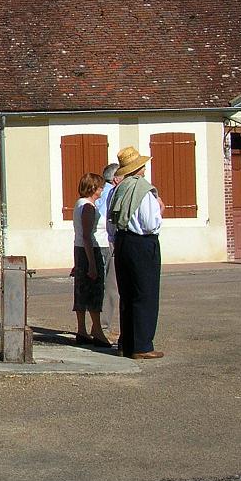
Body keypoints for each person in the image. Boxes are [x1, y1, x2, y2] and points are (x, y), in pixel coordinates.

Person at [108, 146, 164, 359]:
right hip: (142, 243)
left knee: (127, 293)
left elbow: (111, 222)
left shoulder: (117, 190)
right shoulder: (144, 190)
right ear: (139, 167)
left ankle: (126, 342)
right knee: (145, 293)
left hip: (122, 242)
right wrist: (161, 213)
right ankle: (142, 345)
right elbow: (150, 223)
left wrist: (116, 240)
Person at [72, 172, 110, 347]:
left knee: (81, 290)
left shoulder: (80, 204)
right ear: (93, 188)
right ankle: (96, 330)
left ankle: (82, 330)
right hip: (90, 250)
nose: (103, 189)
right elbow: (87, 235)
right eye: (100, 186)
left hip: (80, 250)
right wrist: (93, 265)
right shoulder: (88, 206)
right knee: (94, 290)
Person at [96, 163, 122, 338]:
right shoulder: (110, 194)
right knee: (111, 287)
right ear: (115, 178)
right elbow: (108, 220)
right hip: (107, 243)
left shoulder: (101, 192)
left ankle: (100, 327)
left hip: (99, 243)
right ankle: (104, 327)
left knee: (103, 286)